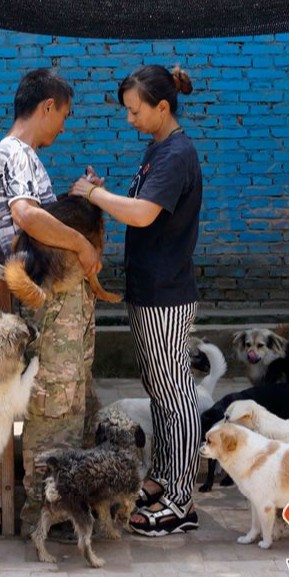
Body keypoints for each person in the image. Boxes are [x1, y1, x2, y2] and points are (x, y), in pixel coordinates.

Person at [70, 64, 203, 536]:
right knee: (161, 391)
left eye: (134, 111)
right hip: (151, 289)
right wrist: (103, 193)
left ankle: (182, 500)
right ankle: (164, 477)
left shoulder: (176, 154)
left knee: (175, 397)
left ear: (161, 107)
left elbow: (143, 214)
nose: (129, 120)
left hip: (166, 294)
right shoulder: (159, 149)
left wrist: (95, 193)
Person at [0, 68, 101, 536]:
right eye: (64, 116)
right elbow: (27, 216)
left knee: (71, 401)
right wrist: (83, 244)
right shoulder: (10, 152)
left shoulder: (27, 157)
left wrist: (76, 198)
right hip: (50, 302)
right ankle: (43, 511)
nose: (63, 127)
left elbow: (43, 212)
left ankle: (65, 509)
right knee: (54, 403)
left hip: (63, 298)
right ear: (47, 106)